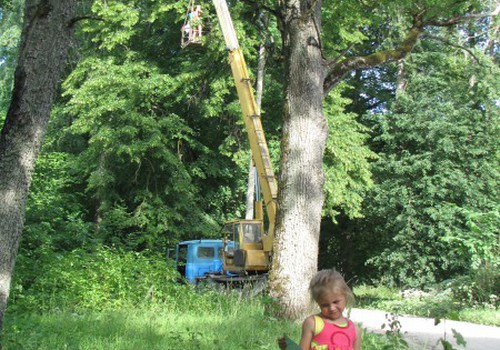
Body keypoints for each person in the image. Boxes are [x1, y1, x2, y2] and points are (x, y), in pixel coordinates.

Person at [278, 269, 361, 350]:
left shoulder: (354, 330)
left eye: (336, 302)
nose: (332, 308)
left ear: (345, 296)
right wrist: (289, 347)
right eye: (325, 305)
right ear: (318, 303)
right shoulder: (313, 323)